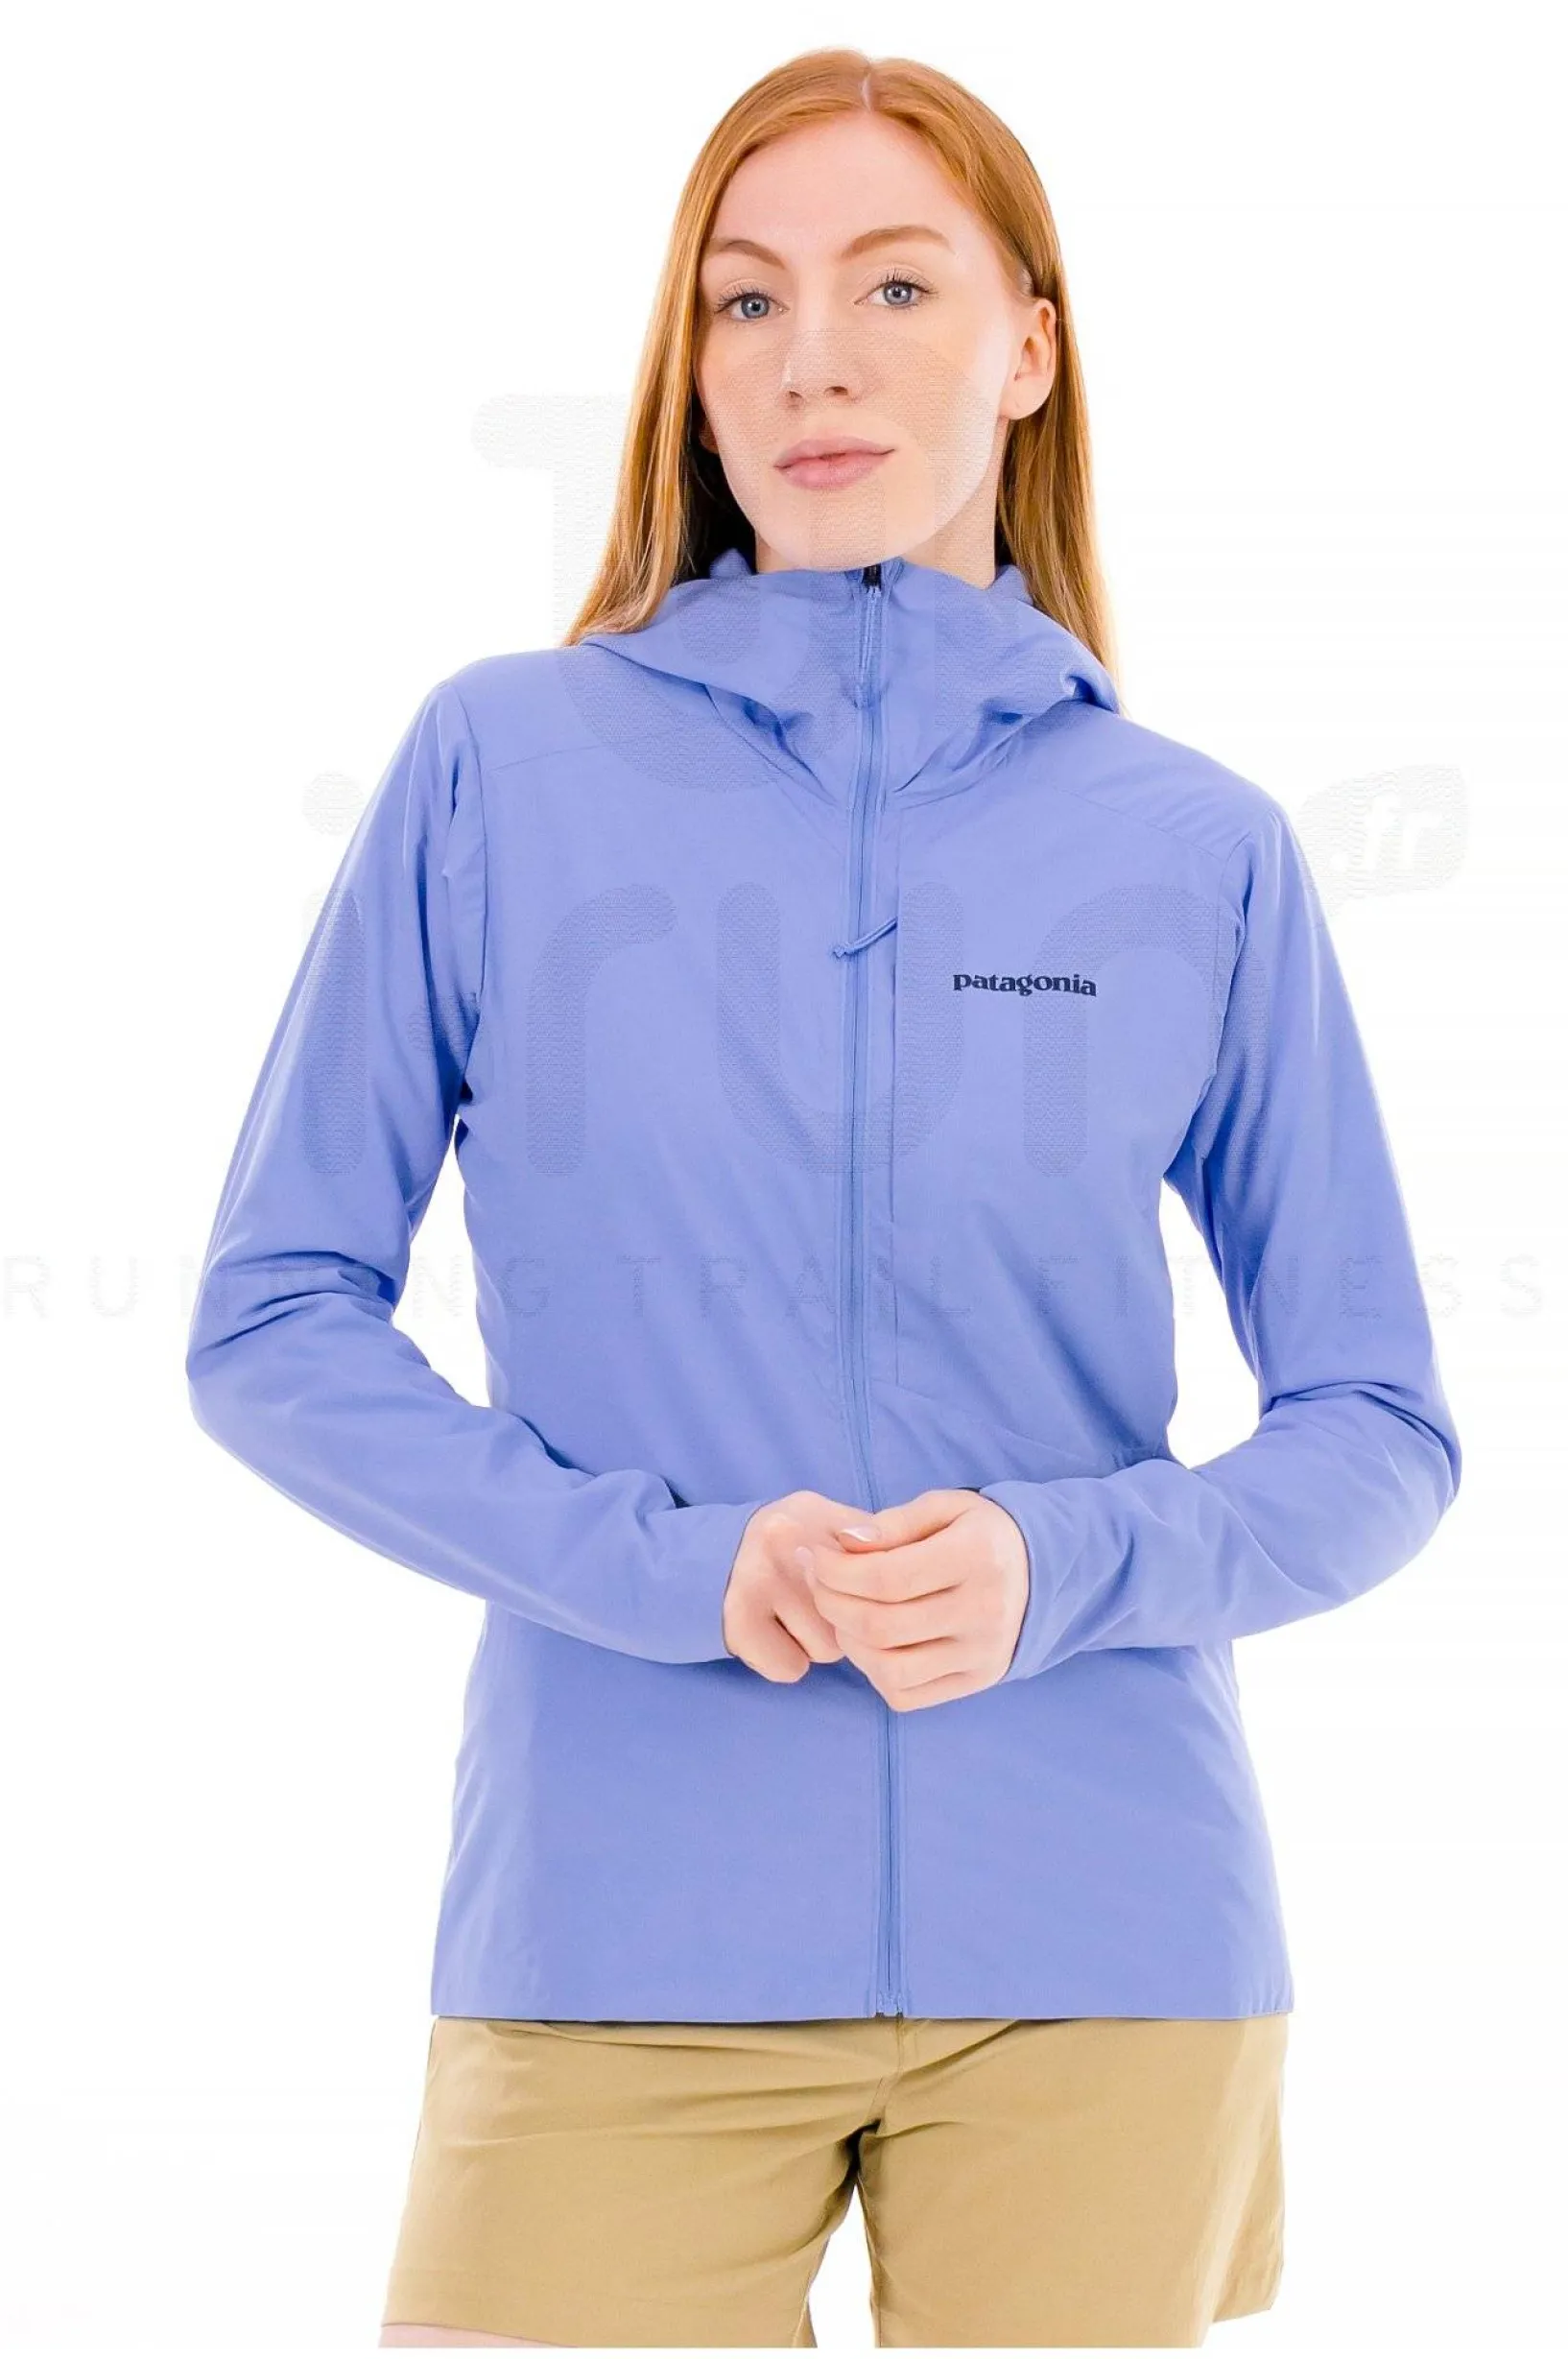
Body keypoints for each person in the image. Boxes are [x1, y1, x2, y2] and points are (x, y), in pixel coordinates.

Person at [183, 45, 1462, 2351]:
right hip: (614, 1927)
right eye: (746, 299)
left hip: (1104, 1945)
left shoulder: (1197, 845)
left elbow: (1378, 1422)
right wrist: (674, 1566)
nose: (814, 362)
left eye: (894, 285)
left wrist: (1059, 1563)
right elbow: (272, 1321)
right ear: (688, 363)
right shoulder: (500, 765)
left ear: (1029, 344)